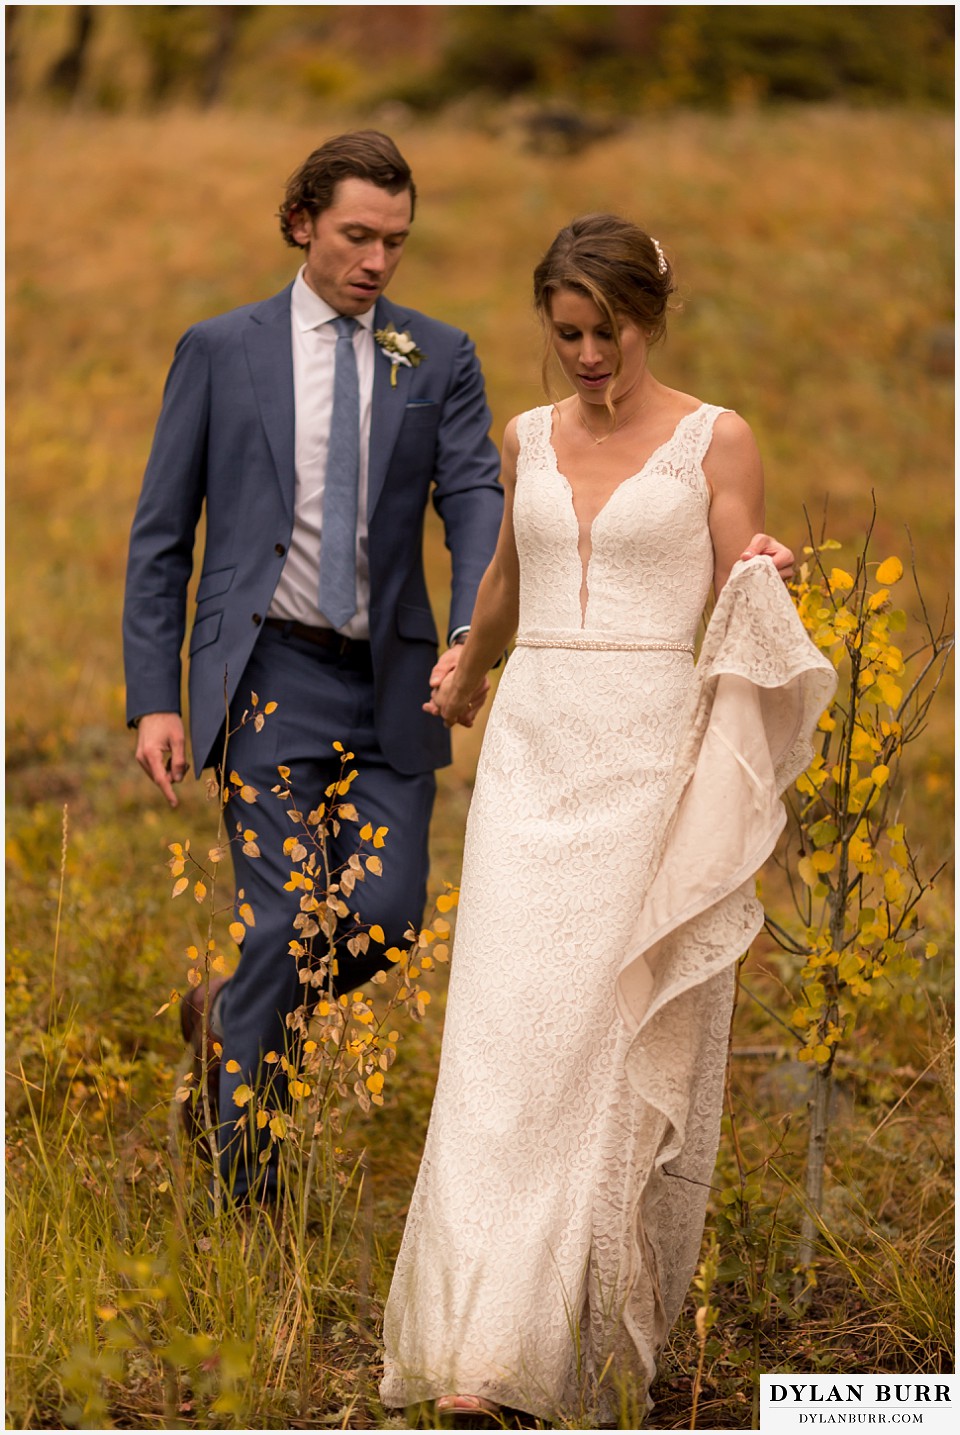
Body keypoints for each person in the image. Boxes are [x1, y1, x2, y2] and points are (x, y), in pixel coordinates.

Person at [380, 215, 835, 1423]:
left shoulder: (713, 436)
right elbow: (508, 577)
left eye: (608, 331)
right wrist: (470, 664)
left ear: (650, 314)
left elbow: (738, 562)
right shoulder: (527, 435)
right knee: (503, 1038)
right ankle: (478, 1343)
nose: (588, 354)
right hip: (533, 752)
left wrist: (766, 566)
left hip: (643, 754)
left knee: (597, 1034)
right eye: (568, 332)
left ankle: (566, 1336)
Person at [123, 131, 504, 1205]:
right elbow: (162, 536)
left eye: (396, 241)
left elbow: (473, 492)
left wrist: (477, 622)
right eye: (356, 236)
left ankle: (230, 1008)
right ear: (302, 223)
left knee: (383, 916)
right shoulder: (221, 349)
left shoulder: (437, 354)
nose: (378, 261)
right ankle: (253, 1200)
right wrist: (157, 697)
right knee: (289, 920)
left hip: (396, 680)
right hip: (268, 675)